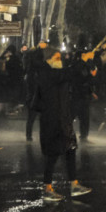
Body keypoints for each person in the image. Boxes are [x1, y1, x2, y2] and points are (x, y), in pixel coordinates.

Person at [35, 47, 92, 201]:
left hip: (63, 119)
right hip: (52, 121)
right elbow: (68, 73)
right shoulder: (46, 73)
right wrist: (82, 60)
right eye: (57, 57)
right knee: (53, 155)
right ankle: (47, 187)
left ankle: (73, 184)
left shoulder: (55, 74)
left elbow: (72, 76)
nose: (60, 60)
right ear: (49, 59)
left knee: (70, 150)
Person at [70, 50, 96, 143]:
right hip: (81, 94)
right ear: (83, 55)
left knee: (75, 116)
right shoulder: (82, 66)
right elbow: (85, 79)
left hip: (77, 94)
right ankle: (83, 136)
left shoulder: (76, 65)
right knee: (83, 117)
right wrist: (92, 77)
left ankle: (73, 134)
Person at [24, 41, 47, 141]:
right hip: (37, 95)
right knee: (40, 117)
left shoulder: (31, 71)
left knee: (32, 117)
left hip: (33, 95)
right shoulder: (39, 70)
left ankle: (29, 135)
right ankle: (41, 135)